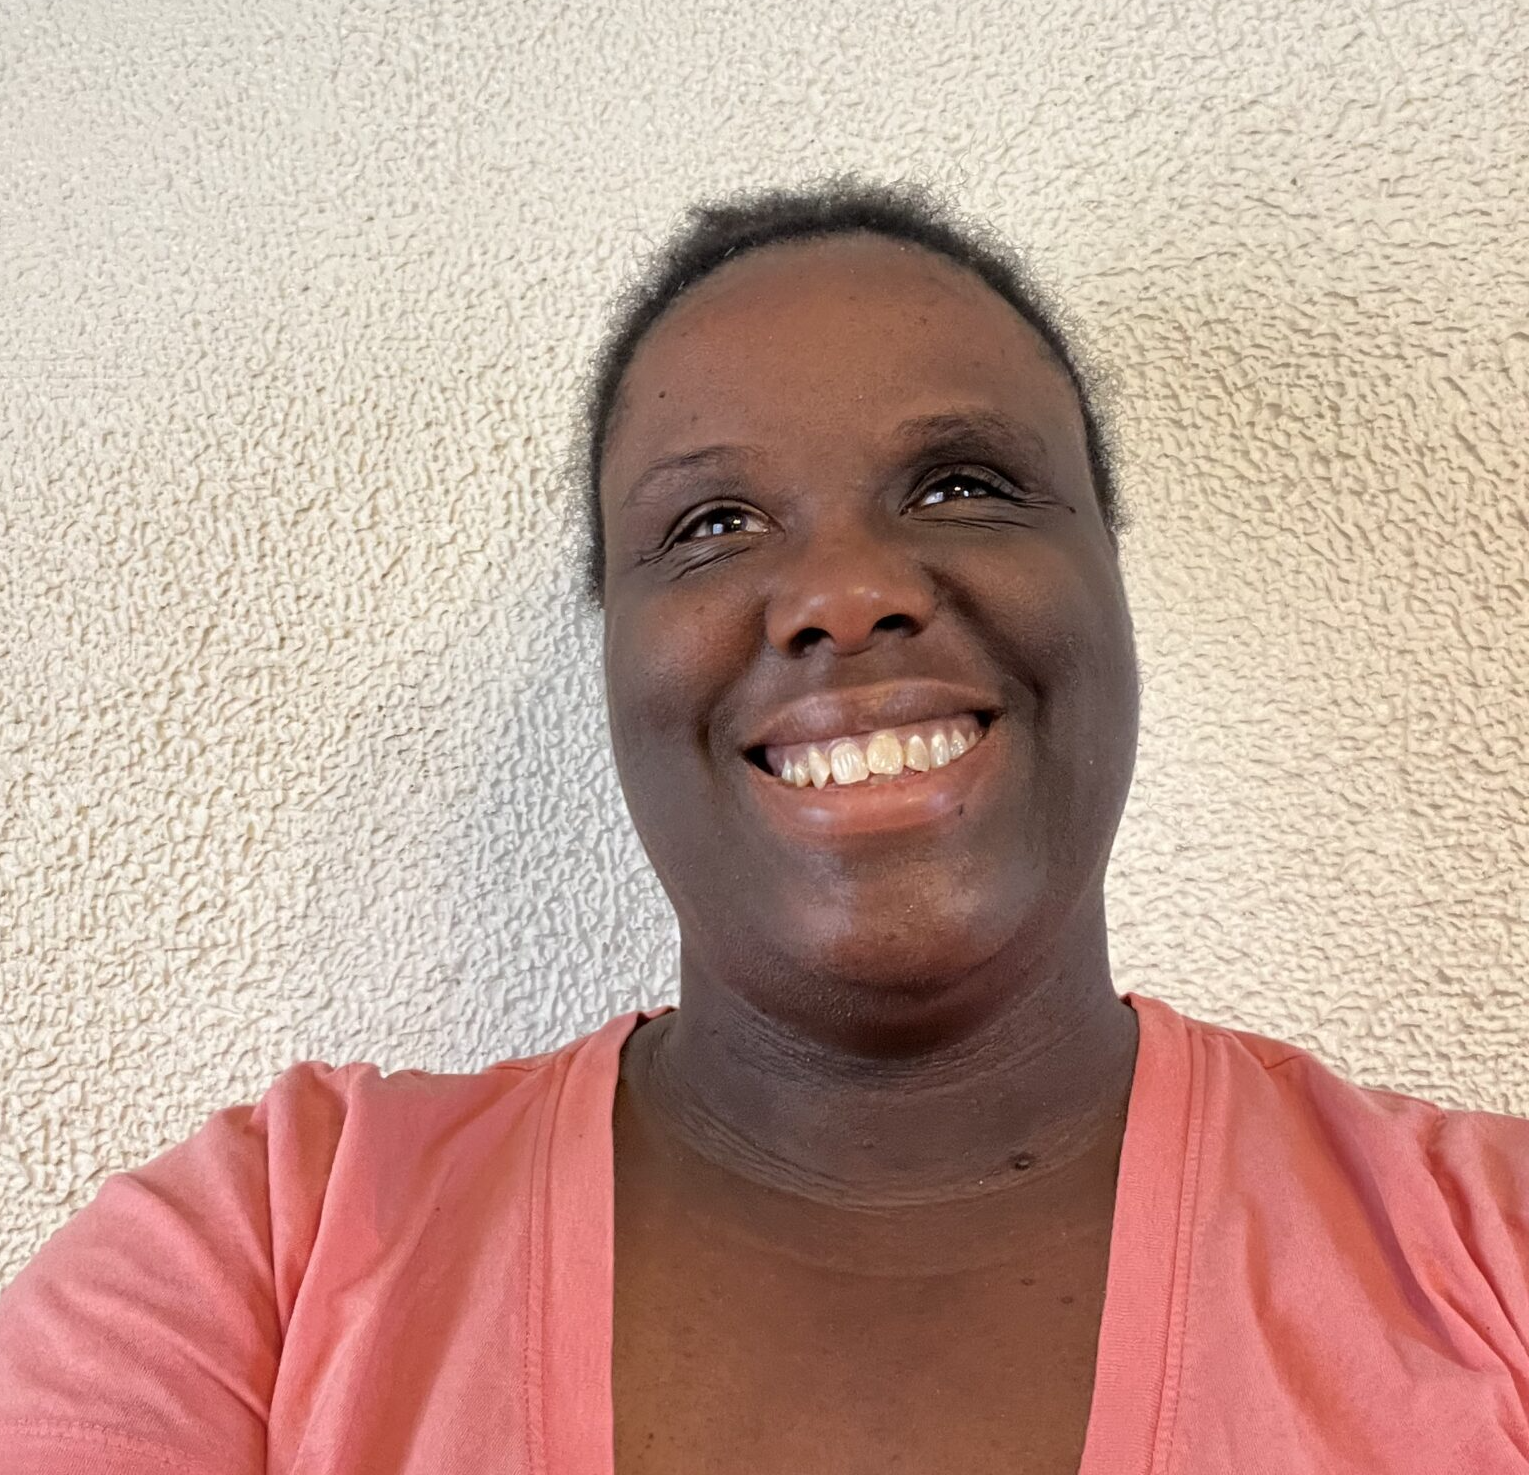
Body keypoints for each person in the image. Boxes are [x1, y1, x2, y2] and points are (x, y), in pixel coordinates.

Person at [2, 176, 1527, 1475]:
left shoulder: (1492, 1262)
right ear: (614, 654)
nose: (847, 592)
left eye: (965, 484)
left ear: (1112, 590)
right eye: (713, 525)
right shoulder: (267, 1258)